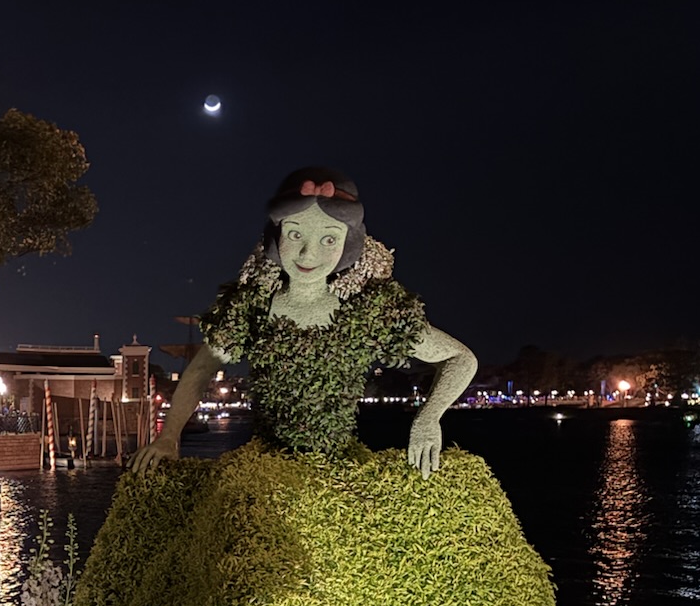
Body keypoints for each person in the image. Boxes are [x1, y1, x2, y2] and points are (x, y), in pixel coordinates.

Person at [131, 167, 476, 475]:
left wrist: (429, 419)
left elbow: (461, 359)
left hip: (337, 469)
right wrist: (169, 436)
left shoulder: (368, 309)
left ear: (348, 245)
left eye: (328, 239)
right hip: (266, 467)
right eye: (295, 235)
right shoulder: (252, 307)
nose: (309, 254)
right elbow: (201, 369)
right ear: (276, 237)